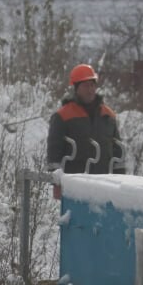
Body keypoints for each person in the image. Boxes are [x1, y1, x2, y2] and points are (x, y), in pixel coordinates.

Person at [46, 64, 126, 193]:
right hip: (74, 185)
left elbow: (118, 151)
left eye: (92, 85)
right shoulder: (62, 116)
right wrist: (56, 182)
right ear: (76, 88)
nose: (90, 90)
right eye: (85, 85)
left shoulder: (108, 115)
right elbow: (54, 152)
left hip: (105, 184)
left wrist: (121, 180)